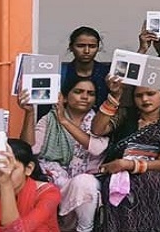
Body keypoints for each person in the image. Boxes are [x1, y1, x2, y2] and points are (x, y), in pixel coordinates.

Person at [21, 76, 113, 232]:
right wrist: (29, 113)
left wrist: (64, 121)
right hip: (55, 182)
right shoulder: (50, 119)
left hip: (87, 186)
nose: (85, 97)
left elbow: (96, 148)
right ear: (63, 98)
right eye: (78, 92)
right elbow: (30, 149)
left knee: (83, 182)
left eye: (90, 93)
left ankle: (85, 229)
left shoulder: (98, 122)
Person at [90, 81, 160, 231]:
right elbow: (97, 129)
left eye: (150, 94)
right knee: (116, 186)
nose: (145, 99)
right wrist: (114, 97)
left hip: (154, 173)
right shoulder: (127, 116)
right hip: (119, 173)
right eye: (139, 96)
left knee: (150, 181)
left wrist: (128, 164)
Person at [60, 27, 112, 108]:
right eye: (80, 46)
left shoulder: (107, 73)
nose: (86, 51)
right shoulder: (61, 73)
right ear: (71, 47)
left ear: (98, 48)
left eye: (92, 46)